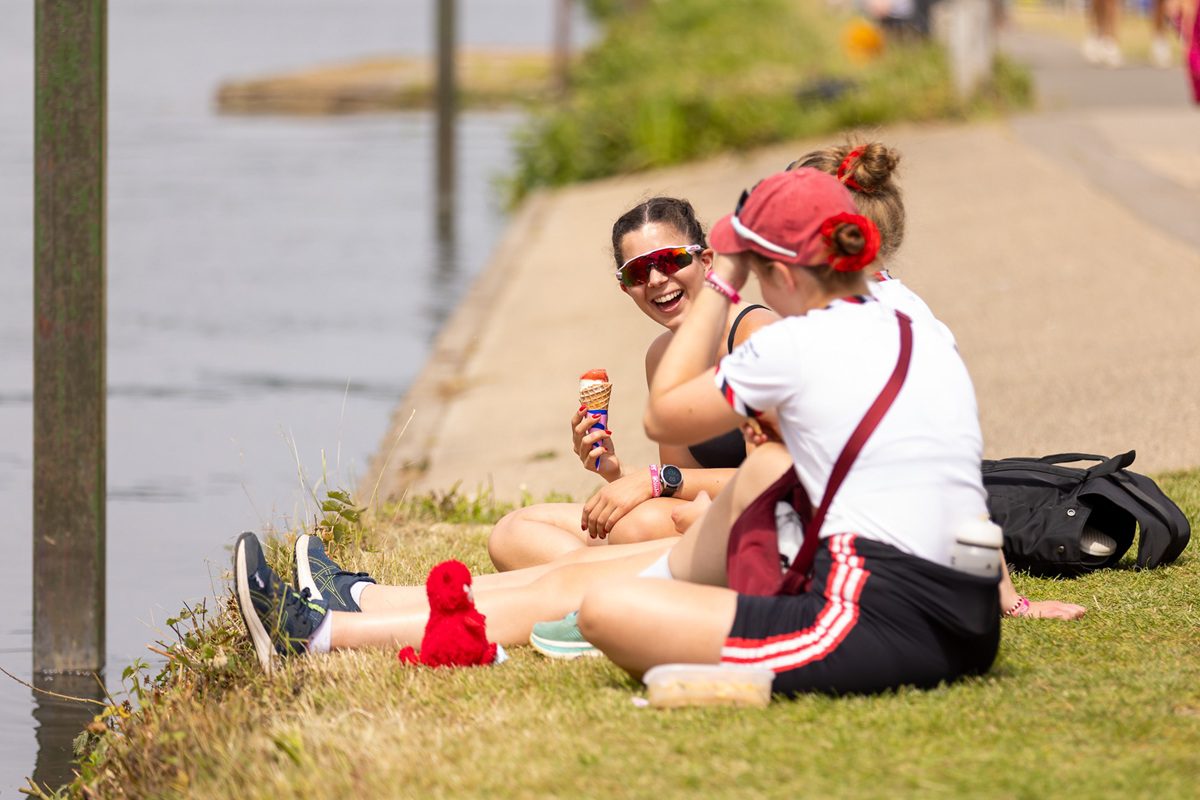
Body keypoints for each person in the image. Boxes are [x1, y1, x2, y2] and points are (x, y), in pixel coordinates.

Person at [575, 168, 1004, 692]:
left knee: (605, 612)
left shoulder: (791, 344)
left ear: (780, 272)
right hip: (968, 611)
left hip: (879, 618)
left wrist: (721, 280)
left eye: (754, 269)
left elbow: (662, 415)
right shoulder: (916, 327)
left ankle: (727, 678)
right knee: (631, 582)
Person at [486, 197, 777, 571]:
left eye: (671, 260)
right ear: (626, 288)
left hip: (767, 523)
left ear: (706, 262)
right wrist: (616, 474)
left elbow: (769, 479)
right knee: (515, 531)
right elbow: (681, 491)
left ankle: (590, 590)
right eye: (637, 272)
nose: (656, 280)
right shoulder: (662, 357)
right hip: (698, 522)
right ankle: (605, 590)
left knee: (635, 527)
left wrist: (655, 481)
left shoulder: (756, 337)